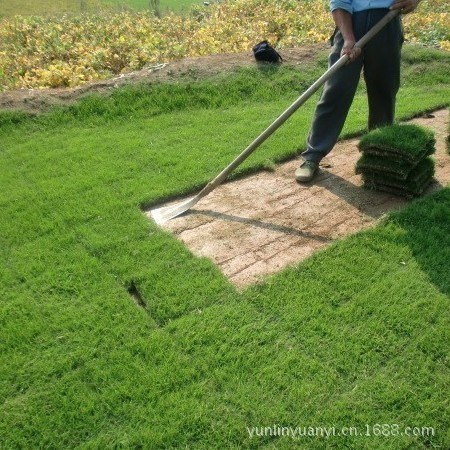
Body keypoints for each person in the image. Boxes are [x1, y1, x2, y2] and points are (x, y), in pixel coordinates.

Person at [295, 0, 421, 183]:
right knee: (336, 90)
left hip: (387, 21)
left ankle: (379, 155)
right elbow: (339, 2)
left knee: (383, 93)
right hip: (351, 22)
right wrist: (348, 38)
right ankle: (312, 156)